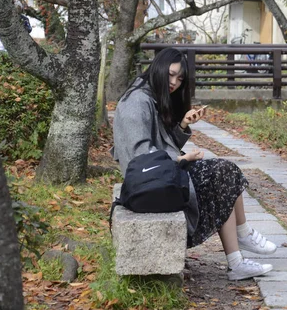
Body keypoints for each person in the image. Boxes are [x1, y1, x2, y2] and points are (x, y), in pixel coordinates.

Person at [112, 47, 277, 281]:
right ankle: (242, 240)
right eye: (170, 74)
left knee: (224, 173)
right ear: (158, 68)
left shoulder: (150, 95)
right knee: (223, 173)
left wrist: (181, 126)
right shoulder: (136, 103)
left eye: (179, 79)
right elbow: (138, 160)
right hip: (149, 186)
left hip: (160, 176)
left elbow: (160, 146)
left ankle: (239, 254)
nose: (174, 83)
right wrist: (181, 159)